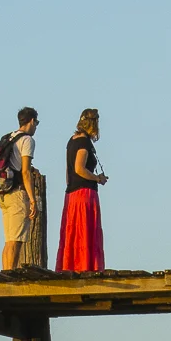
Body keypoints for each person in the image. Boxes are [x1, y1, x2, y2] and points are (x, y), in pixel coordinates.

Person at [56, 109, 108, 272]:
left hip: (71, 194)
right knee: (84, 232)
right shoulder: (84, 143)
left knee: (73, 232)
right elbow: (79, 168)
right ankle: (86, 267)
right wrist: (97, 178)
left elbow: (68, 171)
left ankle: (69, 266)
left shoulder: (72, 140)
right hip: (84, 194)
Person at [0, 108, 40, 270]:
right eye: (36, 122)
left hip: (4, 194)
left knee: (9, 240)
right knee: (16, 240)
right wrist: (32, 199)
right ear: (31, 121)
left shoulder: (11, 137)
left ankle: (6, 272)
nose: (36, 126)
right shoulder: (27, 140)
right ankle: (9, 276)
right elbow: (25, 172)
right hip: (17, 194)